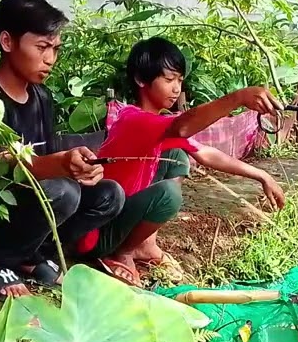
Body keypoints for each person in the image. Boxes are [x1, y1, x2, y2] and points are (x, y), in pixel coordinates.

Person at [82, 37, 286, 285]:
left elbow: (205, 153)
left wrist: (262, 175)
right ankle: (122, 253)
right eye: (169, 80)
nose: (176, 88)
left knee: (176, 156)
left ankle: (146, 245)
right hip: (98, 234)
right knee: (168, 194)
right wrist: (238, 98)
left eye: (179, 80)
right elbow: (182, 127)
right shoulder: (133, 119)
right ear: (141, 80)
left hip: (122, 217)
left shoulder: (156, 124)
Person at [0, 0, 124, 298]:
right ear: (7, 42)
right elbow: (4, 164)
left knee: (109, 195)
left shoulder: (42, 97)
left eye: (55, 49)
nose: (50, 59)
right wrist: (62, 164)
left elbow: (47, 156)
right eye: (41, 47)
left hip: (31, 202)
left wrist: (81, 168)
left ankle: (30, 256)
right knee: (63, 192)